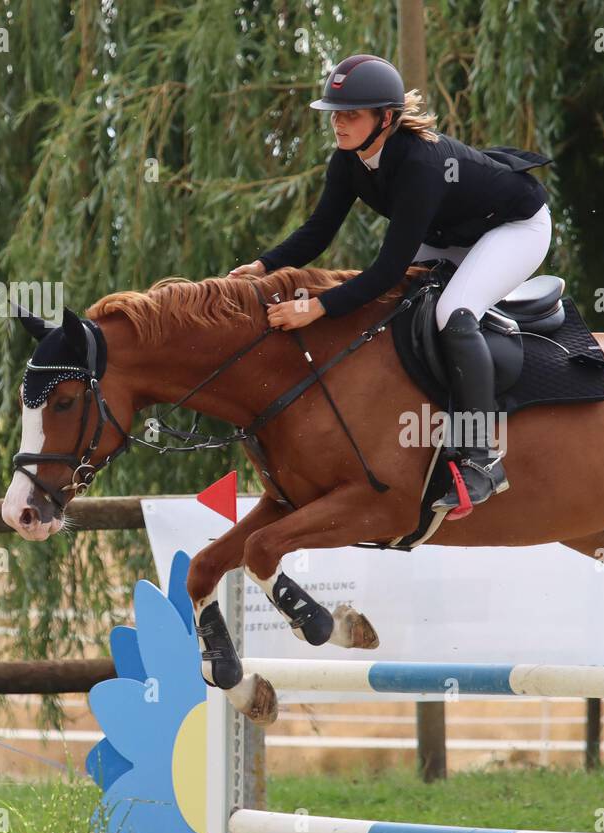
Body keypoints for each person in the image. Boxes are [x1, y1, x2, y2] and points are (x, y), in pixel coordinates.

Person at [230, 53, 553, 513]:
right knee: (392, 311)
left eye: (351, 115)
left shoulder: (420, 163)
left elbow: (384, 269)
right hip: (449, 234)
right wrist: (263, 266)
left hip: (514, 228)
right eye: (335, 115)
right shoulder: (348, 160)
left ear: (386, 118)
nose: (339, 125)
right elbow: (319, 231)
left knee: (452, 315)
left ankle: (483, 458)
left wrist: (317, 307)